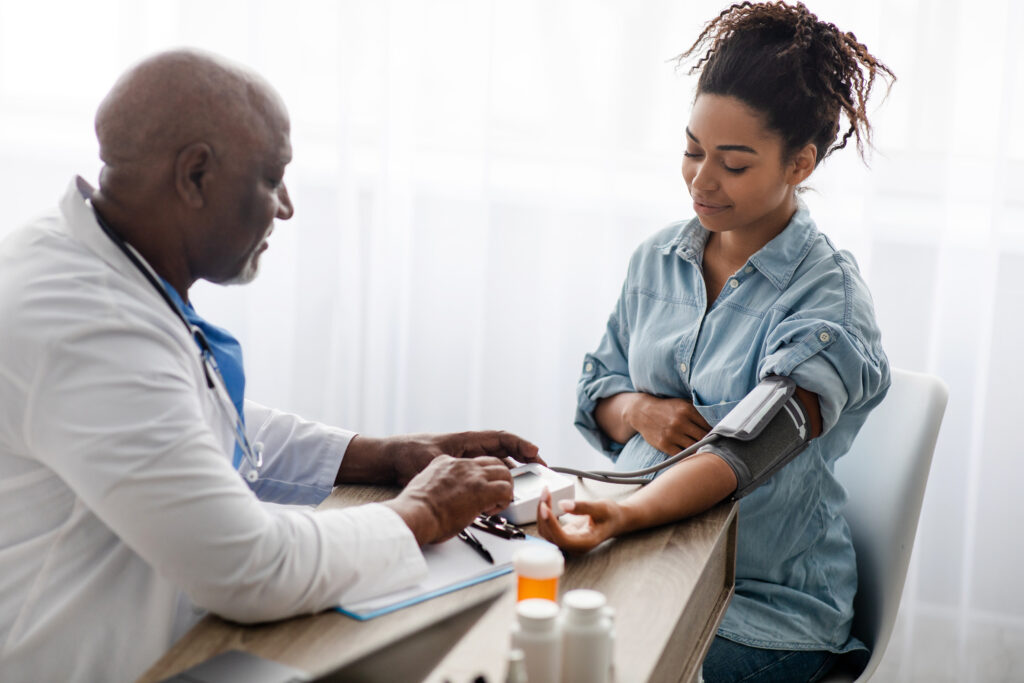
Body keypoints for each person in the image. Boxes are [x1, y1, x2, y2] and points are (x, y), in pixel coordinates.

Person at [0, 49, 541, 682]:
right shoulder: (91, 328)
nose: (285, 207)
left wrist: (384, 454)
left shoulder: (85, 255)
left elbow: (181, 419)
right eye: (271, 177)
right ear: (195, 175)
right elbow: (250, 570)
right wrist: (421, 512)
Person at [536, 3, 894, 681]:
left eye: (733, 163)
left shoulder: (827, 301)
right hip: (641, 553)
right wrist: (638, 410)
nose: (702, 179)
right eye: (692, 150)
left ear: (800, 162)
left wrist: (621, 511)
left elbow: (748, 447)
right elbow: (596, 389)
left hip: (759, 607)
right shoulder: (657, 259)